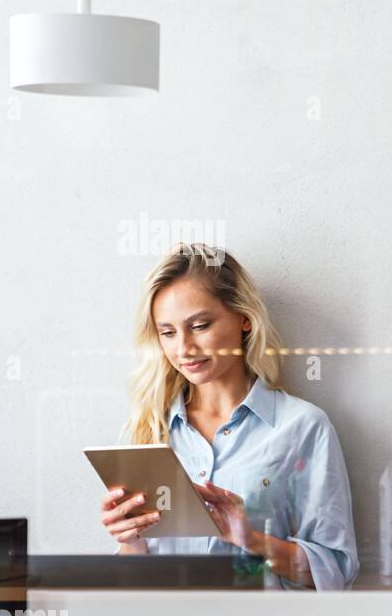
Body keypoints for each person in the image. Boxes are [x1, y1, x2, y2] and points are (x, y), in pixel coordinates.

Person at [98, 243, 359, 590]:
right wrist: (129, 541)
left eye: (200, 325)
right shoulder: (148, 429)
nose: (183, 349)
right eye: (168, 332)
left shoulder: (302, 428)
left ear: (244, 319)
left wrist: (250, 539)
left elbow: (336, 568)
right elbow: (132, 583)